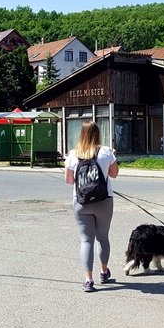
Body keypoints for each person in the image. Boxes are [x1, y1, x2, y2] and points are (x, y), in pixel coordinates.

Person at [64, 121, 119, 292]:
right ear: (98, 134)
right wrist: (112, 158)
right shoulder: (106, 152)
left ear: (81, 134)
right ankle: (104, 272)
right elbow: (114, 174)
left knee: (86, 240)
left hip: (81, 202)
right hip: (104, 200)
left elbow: (69, 181)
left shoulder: (73, 154)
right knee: (102, 237)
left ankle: (88, 279)